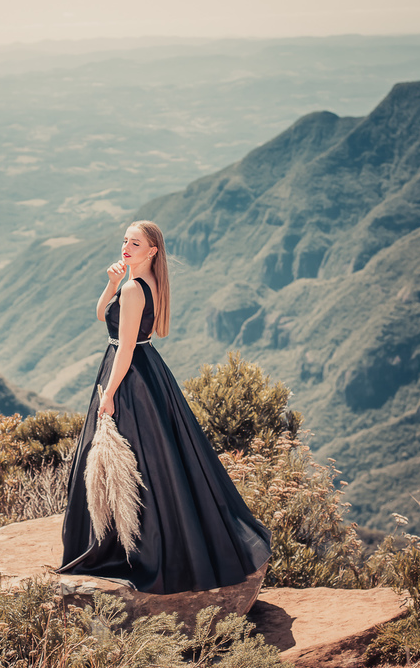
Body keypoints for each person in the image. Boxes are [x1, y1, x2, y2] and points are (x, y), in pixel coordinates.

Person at [57, 220, 272, 594]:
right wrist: (111, 283)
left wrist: (108, 394)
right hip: (148, 371)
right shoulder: (146, 284)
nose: (126, 246)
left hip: (125, 375)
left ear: (152, 250)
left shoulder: (132, 291)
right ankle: (175, 535)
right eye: (125, 240)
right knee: (161, 459)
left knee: (132, 459)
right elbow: (101, 316)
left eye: (135, 242)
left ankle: (135, 543)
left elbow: (122, 347)